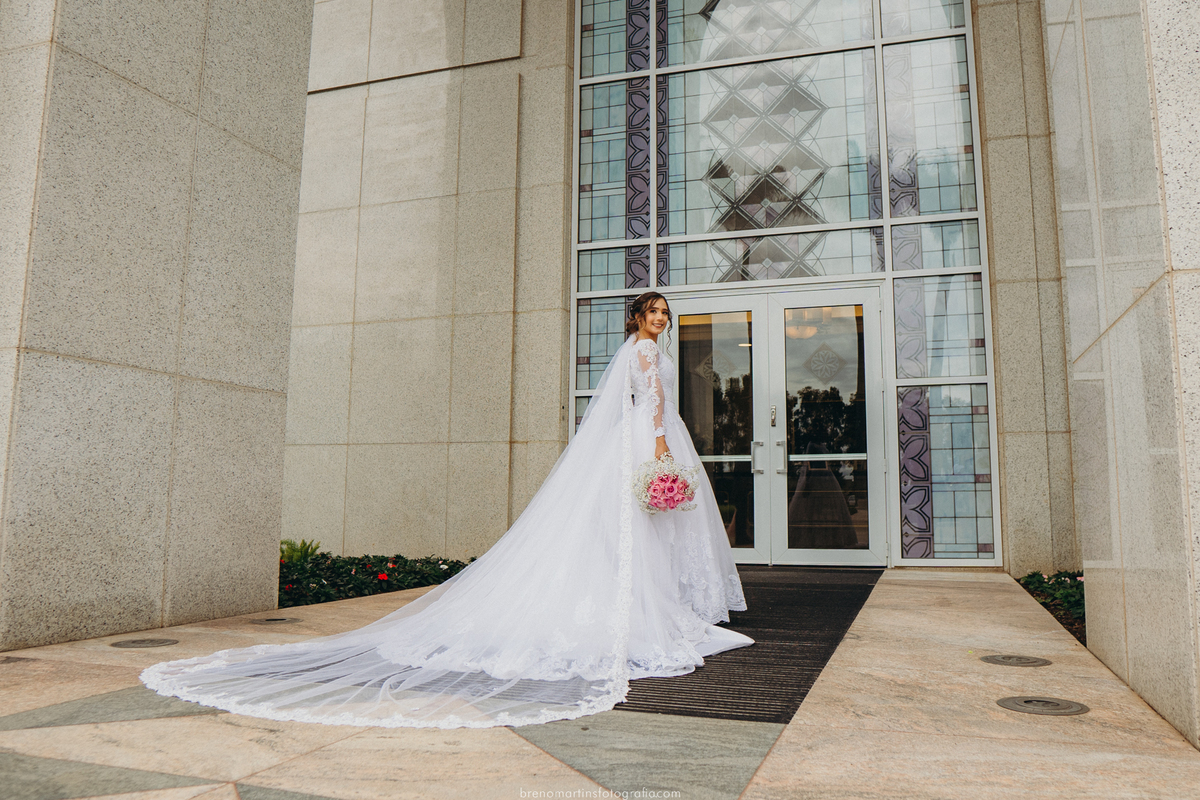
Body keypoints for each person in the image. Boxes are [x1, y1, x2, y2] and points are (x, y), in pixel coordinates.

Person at [141, 292, 753, 729]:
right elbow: (652, 403)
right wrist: (660, 446)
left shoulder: (638, 351)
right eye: (653, 313)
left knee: (634, 528)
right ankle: (644, 607)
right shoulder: (644, 355)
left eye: (665, 314)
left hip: (640, 437)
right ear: (638, 318)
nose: (660, 320)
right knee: (641, 526)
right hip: (648, 439)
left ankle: (647, 600)